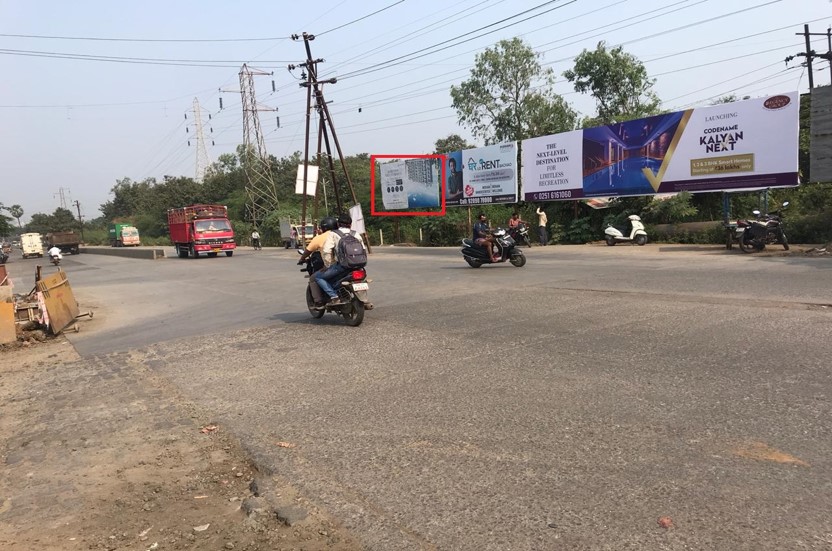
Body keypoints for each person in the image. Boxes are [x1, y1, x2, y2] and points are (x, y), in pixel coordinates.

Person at [314, 212, 366, 305]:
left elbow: (326, 251)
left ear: (338, 224)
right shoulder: (356, 234)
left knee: (318, 277)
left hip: (342, 266)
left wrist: (327, 266)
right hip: (359, 267)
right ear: (350, 225)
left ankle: (334, 296)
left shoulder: (334, 234)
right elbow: (363, 250)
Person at [298, 217, 338, 307]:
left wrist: (302, 259)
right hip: (347, 264)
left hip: (333, 266)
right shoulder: (340, 234)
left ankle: (319, 301)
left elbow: (308, 251)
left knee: (314, 278)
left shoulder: (319, 238)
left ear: (323, 227)